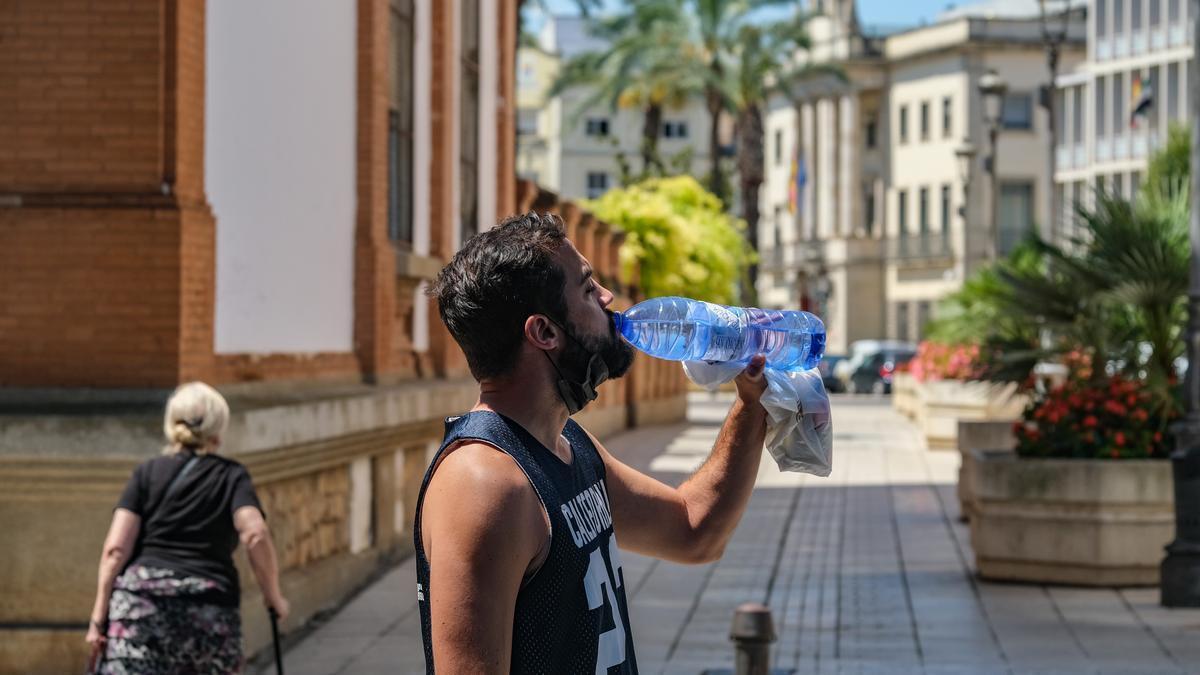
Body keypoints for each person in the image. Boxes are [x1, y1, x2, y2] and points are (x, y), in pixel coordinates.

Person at [417, 212, 768, 674]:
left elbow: (693, 531)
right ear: (544, 332)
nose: (608, 298)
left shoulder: (567, 446)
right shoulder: (485, 485)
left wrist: (752, 401)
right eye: (587, 288)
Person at [85, 382, 290, 674]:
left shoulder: (146, 473)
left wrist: (98, 619)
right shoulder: (231, 476)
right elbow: (255, 533)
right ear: (219, 427)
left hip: (140, 610)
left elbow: (115, 550)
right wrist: (274, 598)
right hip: (206, 612)